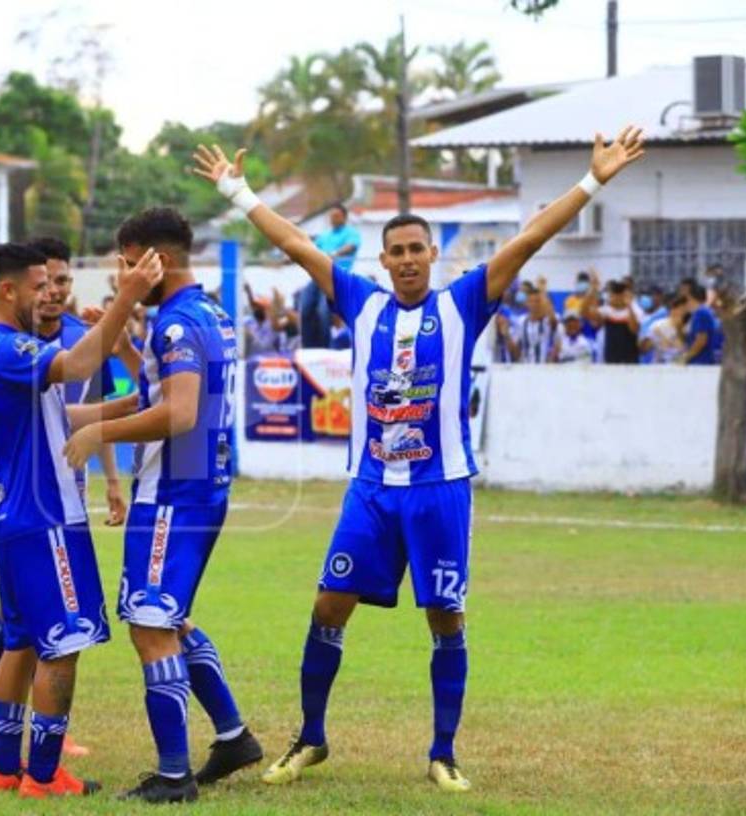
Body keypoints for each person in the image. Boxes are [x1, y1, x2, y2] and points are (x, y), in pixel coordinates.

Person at [192, 126, 645, 793]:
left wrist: (593, 179)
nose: (406, 261)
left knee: (445, 616)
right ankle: (310, 738)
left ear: (433, 255)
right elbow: (294, 242)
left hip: (440, 490)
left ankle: (442, 752)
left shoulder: (463, 303)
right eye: (395, 252)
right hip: (371, 489)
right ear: (383, 261)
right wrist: (236, 189)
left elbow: (529, 238)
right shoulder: (360, 300)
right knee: (328, 604)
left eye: (416, 250)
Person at [63, 208, 264, 803]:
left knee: (151, 629)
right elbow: (167, 391)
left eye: (128, 264)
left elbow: (178, 413)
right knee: (173, 621)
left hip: (173, 495)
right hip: (203, 487)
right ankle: (233, 737)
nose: (123, 276)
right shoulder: (208, 313)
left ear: (155, 258)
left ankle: (173, 775)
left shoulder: (177, 325)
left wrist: (98, 433)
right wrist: (127, 349)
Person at [0, 242, 161, 799]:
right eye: (38, 285)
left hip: (17, 520)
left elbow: (60, 413)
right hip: (45, 515)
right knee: (61, 647)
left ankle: (4, 768)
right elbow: (76, 365)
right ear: (9, 290)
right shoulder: (6, 346)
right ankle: (45, 777)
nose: (48, 294)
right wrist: (127, 296)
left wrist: (123, 408)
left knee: (20, 643)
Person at [300, 204, 361, 348]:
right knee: (305, 307)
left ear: (344, 218)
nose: (333, 219)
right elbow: (312, 249)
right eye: (331, 216)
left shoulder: (351, 232)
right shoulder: (325, 235)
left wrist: (333, 254)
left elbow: (351, 246)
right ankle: (308, 347)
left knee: (323, 311)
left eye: (336, 216)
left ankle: (325, 347)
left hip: (335, 276)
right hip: (319, 274)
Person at [582, 278, 641, 364]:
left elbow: (634, 329)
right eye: (614, 294)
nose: (616, 298)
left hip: (630, 360)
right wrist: (592, 289)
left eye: (620, 295)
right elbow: (584, 313)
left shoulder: (635, 310)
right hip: (611, 360)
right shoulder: (607, 310)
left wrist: (629, 306)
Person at [513, 281, 559, 363]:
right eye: (531, 301)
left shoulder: (547, 321)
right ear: (527, 303)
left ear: (542, 302)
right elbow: (516, 347)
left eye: (537, 301)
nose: (534, 304)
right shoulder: (521, 321)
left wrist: (543, 292)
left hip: (545, 367)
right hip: (525, 367)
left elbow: (554, 322)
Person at [642, 294, 688, 365]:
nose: (684, 313)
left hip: (681, 369)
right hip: (660, 369)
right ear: (673, 309)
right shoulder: (658, 326)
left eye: (685, 310)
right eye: (681, 309)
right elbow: (644, 348)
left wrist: (679, 329)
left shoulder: (689, 327)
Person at [681, 282, 717, 365]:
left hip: (701, 362)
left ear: (689, 296)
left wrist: (686, 357)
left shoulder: (701, 313)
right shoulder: (697, 313)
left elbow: (701, 340)